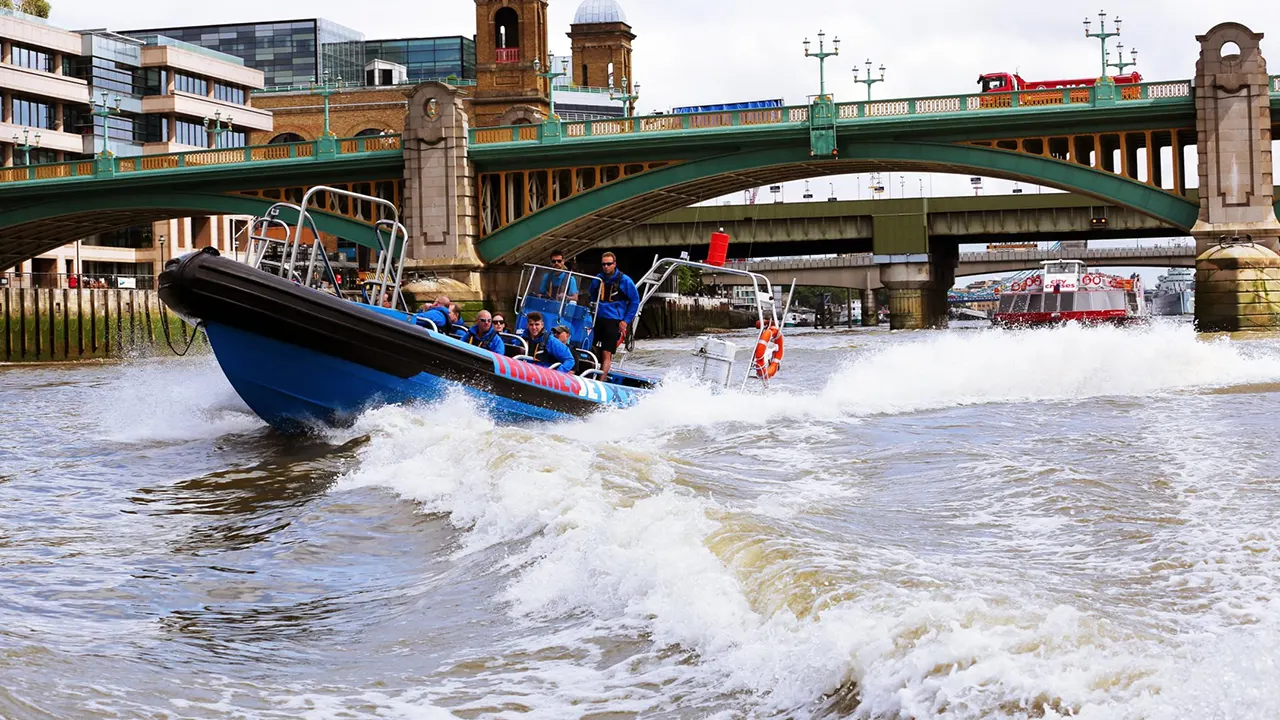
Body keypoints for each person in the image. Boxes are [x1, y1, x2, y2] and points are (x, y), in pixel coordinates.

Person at [587, 251, 639, 379]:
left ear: (614, 264)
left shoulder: (625, 281)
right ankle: (587, 372)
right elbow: (592, 296)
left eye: (609, 264)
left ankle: (601, 380)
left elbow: (635, 301)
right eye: (603, 264)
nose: (606, 267)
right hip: (598, 318)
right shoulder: (598, 279)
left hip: (614, 320)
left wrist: (625, 321)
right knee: (588, 347)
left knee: (606, 352)